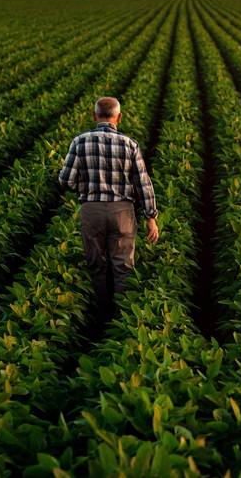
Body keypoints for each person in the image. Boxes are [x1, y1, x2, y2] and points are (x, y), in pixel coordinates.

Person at [58, 96, 159, 329]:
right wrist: (150, 217)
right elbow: (143, 184)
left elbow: (65, 180)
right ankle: (122, 321)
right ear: (119, 117)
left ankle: (101, 317)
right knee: (123, 267)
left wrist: (84, 185)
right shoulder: (129, 145)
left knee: (96, 264)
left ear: (94, 117)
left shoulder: (80, 142)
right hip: (122, 211)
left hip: (91, 209)